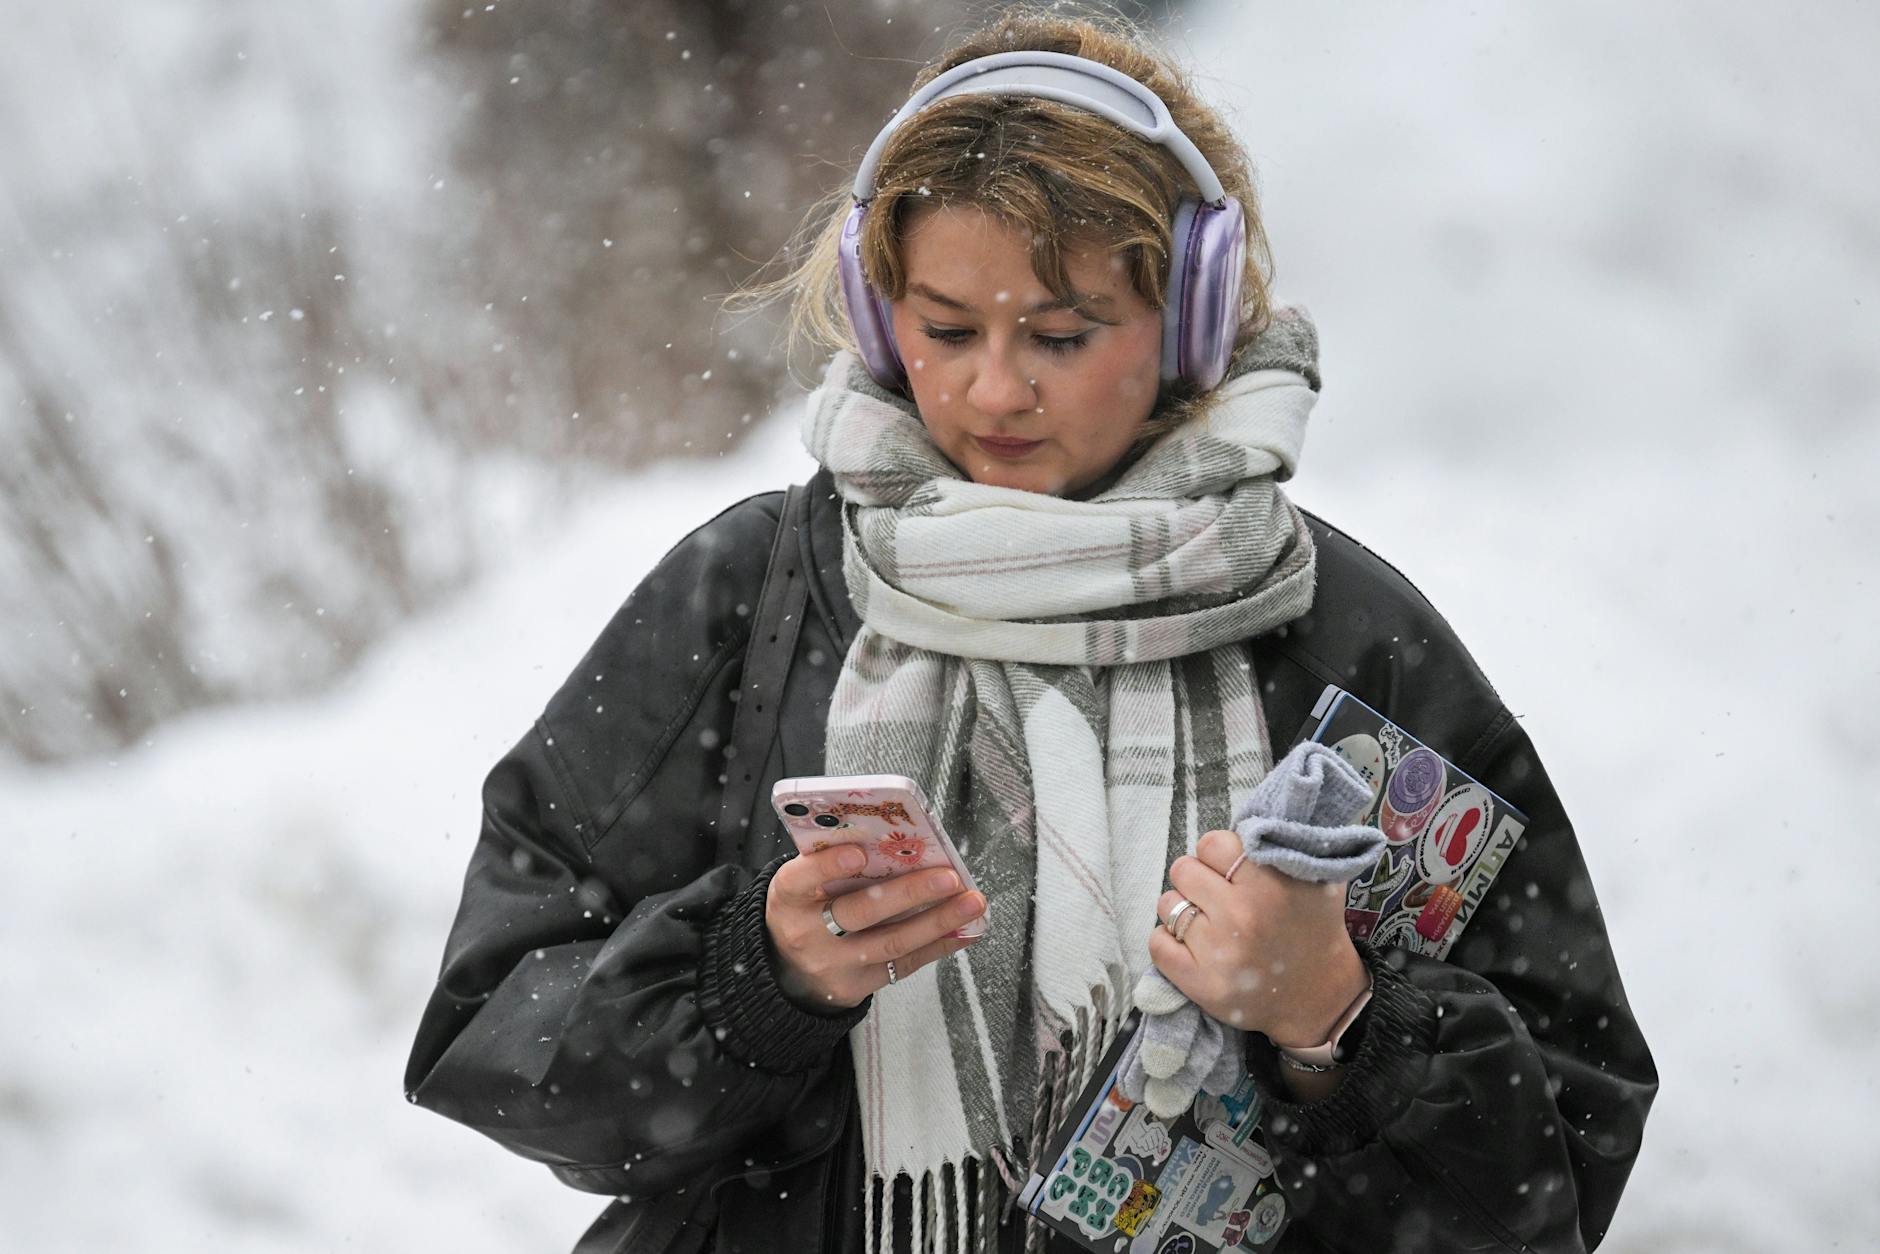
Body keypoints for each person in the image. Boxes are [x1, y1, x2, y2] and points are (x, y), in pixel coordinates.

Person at [404, 9, 1657, 1253]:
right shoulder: (753, 597)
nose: (993, 390)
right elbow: (493, 1029)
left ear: (1190, 324)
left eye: (1059, 335)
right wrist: (756, 986)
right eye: (945, 329)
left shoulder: (1340, 638)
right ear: (875, 305)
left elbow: (1551, 1177)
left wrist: (1337, 1022)